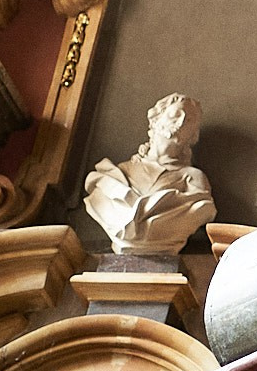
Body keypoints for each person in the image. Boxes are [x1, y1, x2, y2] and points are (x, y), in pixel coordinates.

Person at [84, 93, 218, 255]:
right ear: (156, 120)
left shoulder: (193, 180)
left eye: (189, 120)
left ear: (193, 135)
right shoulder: (116, 175)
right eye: (175, 114)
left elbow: (202, 209)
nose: (181, 122)